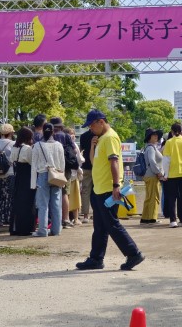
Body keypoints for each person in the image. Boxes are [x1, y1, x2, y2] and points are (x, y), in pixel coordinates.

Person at [76, 109, 145, 271]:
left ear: (101, 121)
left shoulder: (111, 137)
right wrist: (93, 146)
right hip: (100, 188)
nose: (90, 129)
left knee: (111, 224)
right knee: (100, 226)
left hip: (108, 188)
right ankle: (96, 258)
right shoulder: (102, 139)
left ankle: (133, 253)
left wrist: (116, 185)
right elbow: (93, 162)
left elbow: (114, 162)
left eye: (92, 125)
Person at [31, 122, 65, 237]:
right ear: (53, 131)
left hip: (42, 175)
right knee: (56, 204)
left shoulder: (37, 145)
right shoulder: (59, 145)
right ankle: (56, 230)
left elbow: (34, 166)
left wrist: (32, 183)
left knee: (42, 205)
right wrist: (62, 179)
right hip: (56, 175)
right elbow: (62, 164)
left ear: (42, 131)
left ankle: (42, 230)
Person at [50, 117, 77, 229]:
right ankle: (65, 219)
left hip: (51, 168)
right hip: (65, 168)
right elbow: (74, 151)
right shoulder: (66, 136)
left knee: (52, 193)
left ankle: (53, 219)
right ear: (61, 126)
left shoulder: (49, 136)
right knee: (64, 193)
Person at [10, 127, 36, 235]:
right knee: (27, 204)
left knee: (17, 203)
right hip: (27, 178)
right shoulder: (27, 149)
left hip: (17, 177)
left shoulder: (14, 147)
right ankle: (26, 228)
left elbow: (11, 161)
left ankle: (15, 227)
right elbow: (32, 162)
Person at [141, 128, 164, 224]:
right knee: (154, 197)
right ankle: (152, 218)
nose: (156, 136)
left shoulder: (148, 147)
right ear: (149, 137)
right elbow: (152, 162)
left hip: (148, 174)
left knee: (149, 197)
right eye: (153, 135)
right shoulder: (151, 148)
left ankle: (146, 217)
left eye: (156, 135)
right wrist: (158, 172)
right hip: (152, 175)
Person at [64, 127, 84, 225]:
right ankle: (75, 219)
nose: (74, 137)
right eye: (72, 134)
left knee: (66, 197)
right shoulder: (74, 145)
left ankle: (66, 217)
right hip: (74, 173)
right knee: (75, 198)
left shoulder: (61, 144)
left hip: (65, 174)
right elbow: (80, 160)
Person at [79, 129, 94, 223]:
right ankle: (97, 213)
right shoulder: (101, 135)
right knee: (98, 191)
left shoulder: (83, 136)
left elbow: (81, 150)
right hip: (98, 166)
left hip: (86, 166)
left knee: (85, 191)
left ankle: (85, 215)